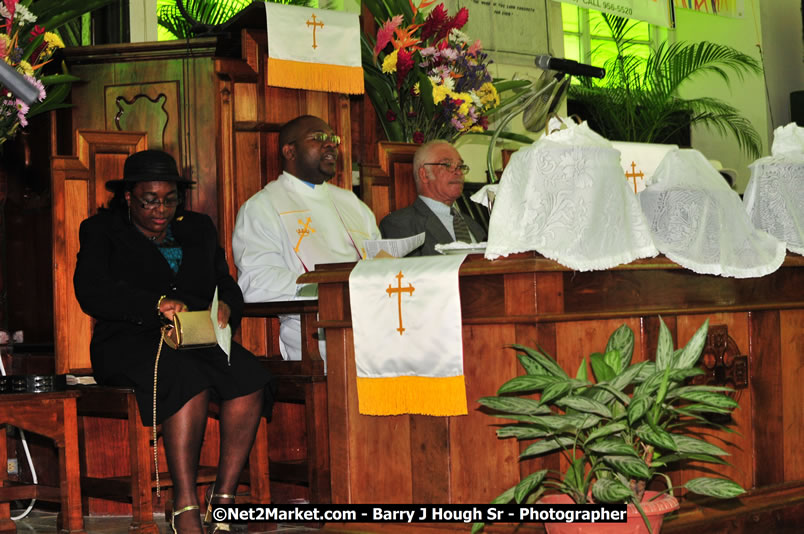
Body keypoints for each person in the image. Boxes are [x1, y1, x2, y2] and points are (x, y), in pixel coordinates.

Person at [73, 150, 275, 534]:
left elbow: (224, 282)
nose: (160, 209)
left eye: (169, 199)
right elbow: (91, 291)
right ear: (128, 196)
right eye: (150, 200)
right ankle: (184, 504)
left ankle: (224, 500)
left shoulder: (198, 228)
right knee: (186, 378)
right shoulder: (101, 231)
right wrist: (155, 305)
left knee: (251, 377)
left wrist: (227, 308)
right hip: (129, 340)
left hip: (197, 337)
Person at [232, 115, 381, 361]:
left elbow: (379, 261)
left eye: (333, 138)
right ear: (289, 151)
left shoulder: (352, 204)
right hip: (313, 328)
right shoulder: (263, 206)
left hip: (372, 317)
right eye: (319, 138)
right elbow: (256, 283)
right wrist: (330, 288)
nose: (331, 144)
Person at [379, 140, 487, 256]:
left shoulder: (474, 225)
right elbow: (412, 272)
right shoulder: (400, 224)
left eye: (460, 166)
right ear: (424, 174)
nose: (459, 172)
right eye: (447, 165)